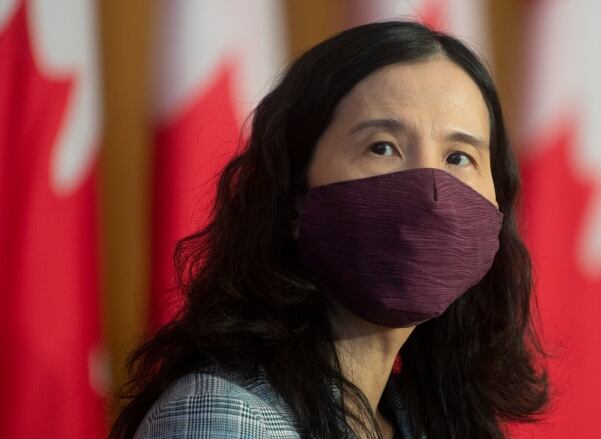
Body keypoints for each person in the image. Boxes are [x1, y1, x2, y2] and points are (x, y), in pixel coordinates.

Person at [110, 20, 548, 439]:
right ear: (294, 198)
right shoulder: (226, 417)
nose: (431, 193)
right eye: (383, 147)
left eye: (458, 157)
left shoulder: (424, 418)